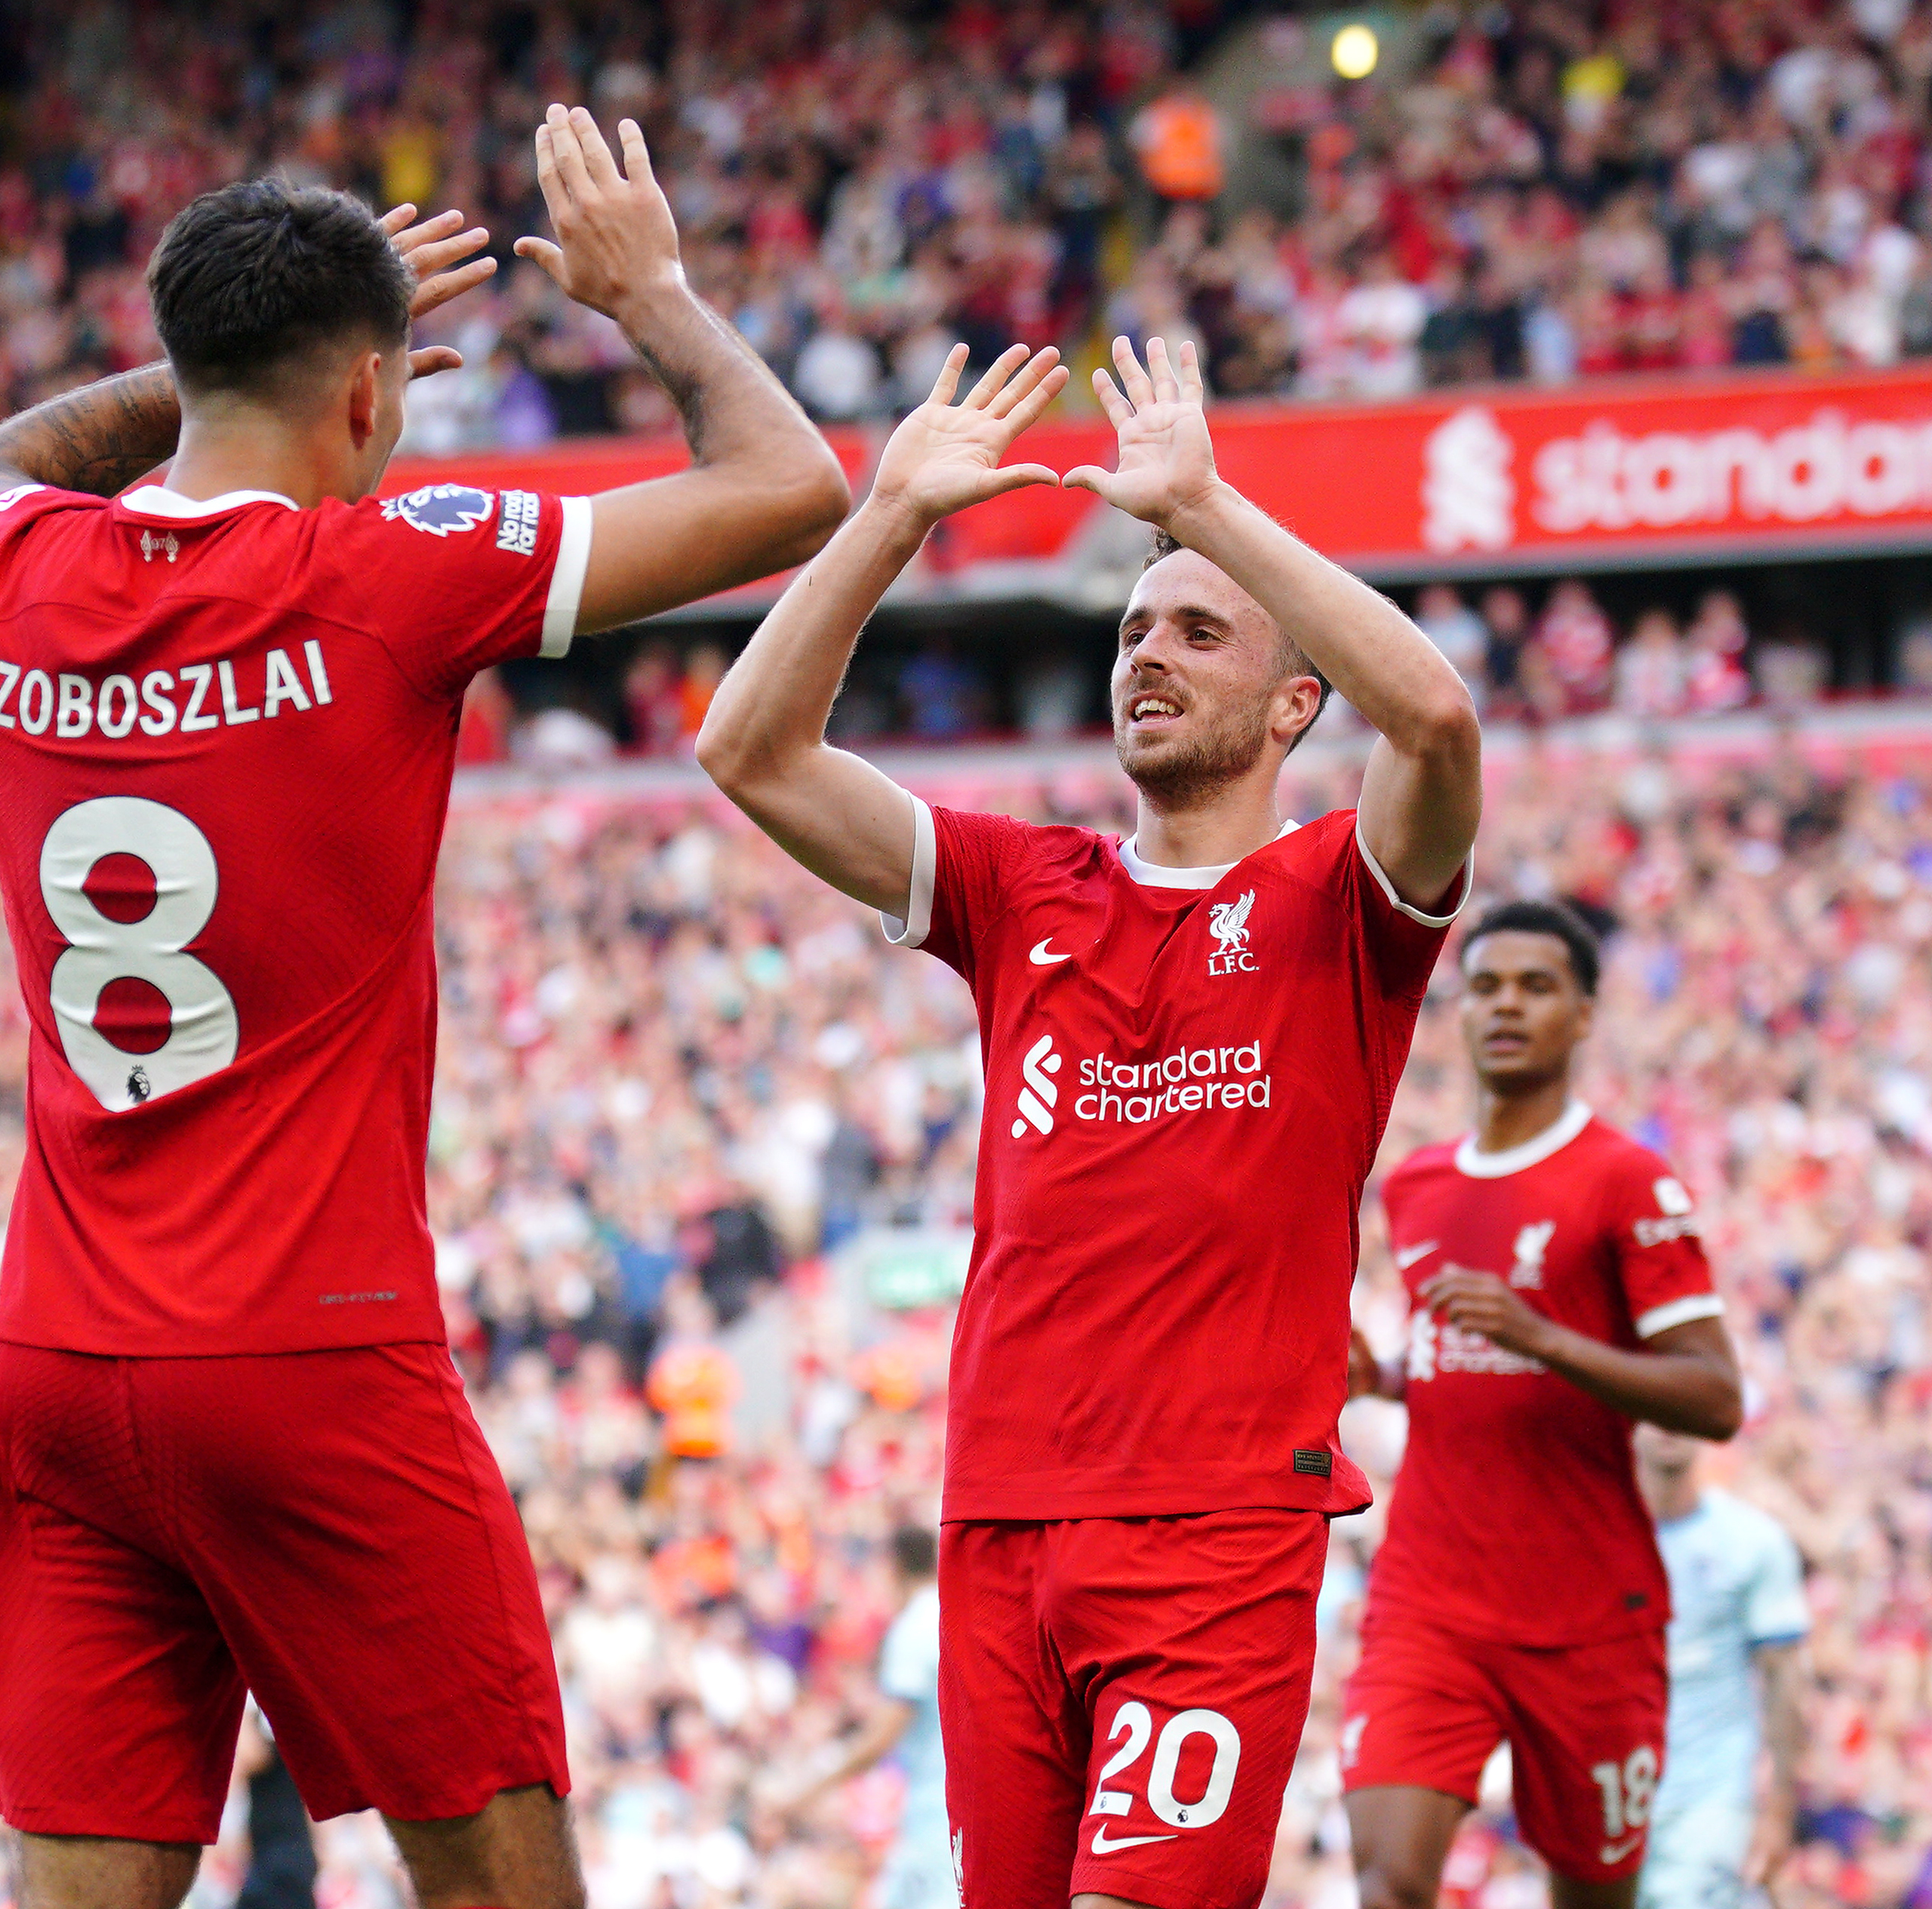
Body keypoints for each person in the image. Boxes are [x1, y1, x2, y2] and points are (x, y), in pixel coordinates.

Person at [0, 107, 848, 1909]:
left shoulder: (11, 571)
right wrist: (652, 296)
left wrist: (210, 362)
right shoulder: (382, 574)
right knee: (503, 1881)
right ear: (365, 398)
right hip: (303, 1355)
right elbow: (786, 482)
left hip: (54, 1361)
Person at [697, 332, 1482, 1909]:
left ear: (1289, 703)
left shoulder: (1340, 895)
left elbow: (1441, 722)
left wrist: (1208, 506)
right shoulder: (1018, 885)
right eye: (1136, 628)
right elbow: (750, 750)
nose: (1152, 652)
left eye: (1200, 630)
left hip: (1217, 1527)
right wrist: (894, 515)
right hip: (997, 1518)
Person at [1340, 901, 1746, 1909]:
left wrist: (1547, 1337)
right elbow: (1455, 1353)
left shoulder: (1629, 1183)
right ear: (1461, 1012)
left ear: (1583, 1015)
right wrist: (1381, 1375)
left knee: (1592, 1897)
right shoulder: (1418, 1185)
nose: (1505, 1006)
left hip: (1589, 1616)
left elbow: (1716, 1396)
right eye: (1484, 987)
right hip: (1428, 1600)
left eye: (1535, 986)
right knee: (1388, 1881)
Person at [1635, 1426, 1810, 1909]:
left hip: (1712, 1794)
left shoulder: (1752, 1542)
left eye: (1682, 1409)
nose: (1669, 1425)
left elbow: (1785, 1681)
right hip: (1611, 1796)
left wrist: (1778, 1809)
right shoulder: (1590, 1539)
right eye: (1655, 1411)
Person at [786, 1526, 950, 1909]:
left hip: (936, 1817)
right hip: (955, 1809)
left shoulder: (913, 1628)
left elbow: (880, 1739)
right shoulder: (948, 1613)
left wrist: (808, 1791)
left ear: (893, 1567)